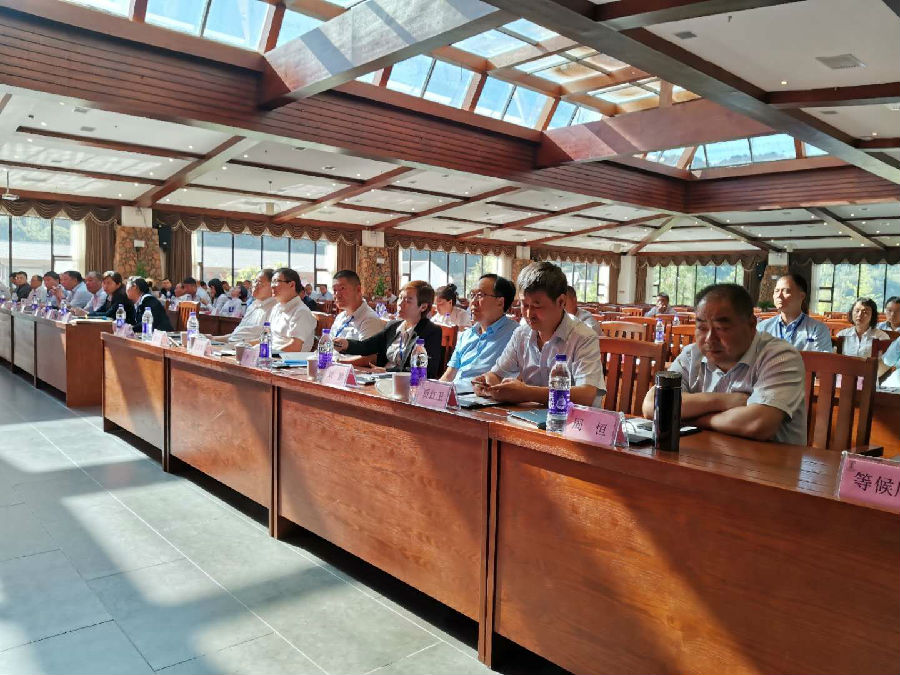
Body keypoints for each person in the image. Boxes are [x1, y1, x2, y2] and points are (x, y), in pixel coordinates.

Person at [641, 283, 806, 445]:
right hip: (704, 454)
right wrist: (722, 401)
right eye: (702, 327)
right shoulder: (692, 354)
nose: (709, 339)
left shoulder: (780, 356)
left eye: (721, 328)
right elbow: (651, 405)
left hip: (768, 461)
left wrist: (686, 418)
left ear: (751, 324)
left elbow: (758, 424)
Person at [472, 262, 605, 406]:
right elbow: (497, 374)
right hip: (531, 415)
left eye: (537, 306)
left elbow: (586, 395)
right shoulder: (521, 334)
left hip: (572, 417)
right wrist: (487, 383)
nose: (529, 314)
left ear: (561, 301)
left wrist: (527, 393)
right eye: (524, 305)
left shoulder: (583, 337)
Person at [333, 280, 443, 378]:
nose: (400, 304)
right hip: (380, 379)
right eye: (400, 298)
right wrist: (345, 344)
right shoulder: (394, 326)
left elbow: (425, 371)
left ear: (423, 307)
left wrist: (387, 372)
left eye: (408, 301)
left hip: (407, 385)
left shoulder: (431, 332)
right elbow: (367, 346)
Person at [440, 274, 517, 387]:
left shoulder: (515, 335)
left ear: (500, 302)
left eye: (480, 295)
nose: (473, 302)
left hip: (481, 395)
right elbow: (448, 376)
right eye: (472, 295)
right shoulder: (467, 335)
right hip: (454, 393)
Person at [756, 274, 831, 352]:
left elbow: (823, 359)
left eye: (786, 291)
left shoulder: (817, 329)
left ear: (802, 296)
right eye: (776, 291)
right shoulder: (763, 327)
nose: (779, 295)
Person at [212, 269, 276, 343]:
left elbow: (267, 340)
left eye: (259, 282)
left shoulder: (274, 309)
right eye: (254, 281)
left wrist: (240, 346)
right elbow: (237, 335)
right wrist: (213, 338)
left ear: (272, 286)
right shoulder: (252, 306)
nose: (254, 285)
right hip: (234, 345)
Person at [266, 267, 316, 352]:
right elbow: (267, 337)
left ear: (292, 285)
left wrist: (266, 353)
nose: (272, 286)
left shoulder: (301, 312)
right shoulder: (276, 308)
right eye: (272, 282)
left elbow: (294, 347)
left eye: (276, 281)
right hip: (272, 354)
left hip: (288, 359)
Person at [330, 270, 383, 341]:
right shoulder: (340, 317)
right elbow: (329, 343)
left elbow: (366, 348)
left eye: (342, 288)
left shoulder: (370, 320)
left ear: (358, 290)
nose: (337, 295)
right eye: (334, 290)